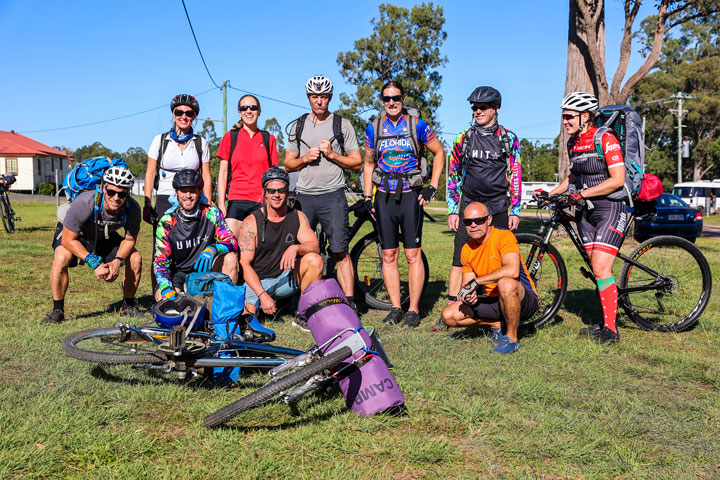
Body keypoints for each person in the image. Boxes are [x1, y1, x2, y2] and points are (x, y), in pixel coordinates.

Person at [545, 91, 627, 344]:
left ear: (585, 116)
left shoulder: (606, 138)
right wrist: (551, 193)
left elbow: (618, 180)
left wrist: (581, 195)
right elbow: (573, 177)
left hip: (610, 209)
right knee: (597, 269)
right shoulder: (573, 143)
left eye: (569, 116)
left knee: (602, 268)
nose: (564, 120)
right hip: (586, 213)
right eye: (563, 116)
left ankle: (611, 330)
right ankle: (604, 320)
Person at [439, 86, 522, 331]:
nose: (477, 111)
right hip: (469, 207)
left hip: (497, 206)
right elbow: (452, 174)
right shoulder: (462, 139)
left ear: (495, 108)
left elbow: (515, 174)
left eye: (482, 107)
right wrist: (453, 209)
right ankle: (454, 304)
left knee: (500, 259)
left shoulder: (509, 139)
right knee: (459, 259)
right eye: (474, 107)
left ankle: (499, 307)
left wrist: (515, 210)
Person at [363, 80, 445, 327]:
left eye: (396, 98)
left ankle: (414, 309)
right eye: (386, 99)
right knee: (388, 254)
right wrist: (368, 197)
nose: (391, 103)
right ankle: (396, 307)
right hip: (384, 195)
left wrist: (432, 186)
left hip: (410, 194)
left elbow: (439, 153)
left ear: (403, 98)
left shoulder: (418, 126)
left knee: (412, 253)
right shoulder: (373, 129)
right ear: (382, 101)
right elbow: (368, 164)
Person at [285, 75, 362, 308]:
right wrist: (305, 158)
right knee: (304, 250)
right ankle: (303, 301)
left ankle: (349, 303)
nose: (319, 101)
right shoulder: (297, 125)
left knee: (340, 250)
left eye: (324, 96)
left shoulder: (342, 124)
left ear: (330, 97)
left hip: (333, 194)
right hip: (304, 195)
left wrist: (332, 155)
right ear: (309, 98)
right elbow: (288, 164)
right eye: (315, 96)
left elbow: (357, 163)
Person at [42, 167, 143, 323]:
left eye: (122, 194)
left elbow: (129, 240)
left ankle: (128, 305)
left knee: (135, 258)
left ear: (128, 193)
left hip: (104, 235)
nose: (116, 198)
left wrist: (117, 260)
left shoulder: (133, 208)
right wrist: (94, 262)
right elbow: (68, 240)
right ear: (103, 187)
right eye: (111, 192)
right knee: (61, 257)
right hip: (76, 235)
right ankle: (58, 310)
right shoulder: (84, 203)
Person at [441, 202, 538, 354]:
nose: (473, 225)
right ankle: (496, 323)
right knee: (448, 315)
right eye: (468, 222)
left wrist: (477, 282)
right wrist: (468, 296)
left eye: (479, 220)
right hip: (493, 300)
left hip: (522, 298)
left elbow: (512, 271)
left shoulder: (504, 236)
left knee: (505, 283)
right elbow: (468, 284)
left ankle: (511, 339)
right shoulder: (467, 249)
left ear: (489, 220)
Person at [237, 167, 323, 330]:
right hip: (258, 281)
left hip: (285, 278)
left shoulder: (298, 216)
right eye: (272, 190)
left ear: (287, 191)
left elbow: (314, 246)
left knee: (314, 260)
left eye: (281, 190)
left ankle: (302, 314)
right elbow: (244, 265)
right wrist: (262, 295)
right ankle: (260, 307)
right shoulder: (251, 222)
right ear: (265, 193)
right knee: (247, 324)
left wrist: (296, 248)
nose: (276, 195)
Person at [144, 94, 212, 290]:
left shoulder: (200, 143)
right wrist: (148, 203)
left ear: (194, 116)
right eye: (179, 112)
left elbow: (206, 176)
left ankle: (188, 288)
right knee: (162, 247)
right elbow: (150, 173)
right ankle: (159, 292)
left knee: (190, 244)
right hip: (166, 196)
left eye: (189, 113)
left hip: (192, 197)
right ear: (173, 114)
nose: (184, 116)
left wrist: (206, 202)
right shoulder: (160, 140)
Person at [153, 169, 238, 301]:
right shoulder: (166, 222)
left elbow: (232, 241)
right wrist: (167, 289)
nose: (188, 195)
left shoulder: (212, 214)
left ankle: (225, 308)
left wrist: (213, 248)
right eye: (183, 190)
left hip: (206, 271)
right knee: (163, 298)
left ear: (199, 192)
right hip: (179, 274)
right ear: (176, 193)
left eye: (192, 190)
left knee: (230, 258)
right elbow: (160, 263)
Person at [216, 94, 279, 238]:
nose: (248, 111)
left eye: (253, 107)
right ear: (239, 112)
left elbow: (273, 175)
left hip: (261, 201)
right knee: (228, 245)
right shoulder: (230, 137)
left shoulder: (269, 139)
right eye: (244, 108)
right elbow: (223, 173)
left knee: (257, 249)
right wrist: (221, 203)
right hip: (236, 199)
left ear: (259, 111)